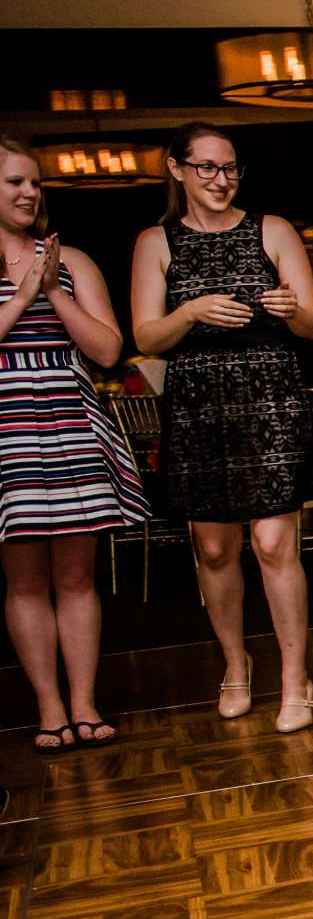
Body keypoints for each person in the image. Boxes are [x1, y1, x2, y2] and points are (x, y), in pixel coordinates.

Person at [129, 123, 313, 732]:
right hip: (199, 406)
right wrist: (188, 311)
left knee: (273, 544)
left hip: (268, 397)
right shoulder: (155, 242)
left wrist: (294, 309)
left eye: (231, 168)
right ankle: (236, 664)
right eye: (208, 168)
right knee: (215, 548)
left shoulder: (273, 229)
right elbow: (144, 337)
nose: (221, 180)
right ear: (177, 169)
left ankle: (296, 679)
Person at [0, 136, 143, 753]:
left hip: (69, 422)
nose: (29, 193)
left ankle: (84, 702)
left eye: (34, 183)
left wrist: (53, 287)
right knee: (26, 579)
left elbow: (109, 350)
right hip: (8, 428)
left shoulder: (74, 260)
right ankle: (49, 707)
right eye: (14, 182)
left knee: (77, 576)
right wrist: (23, 295)